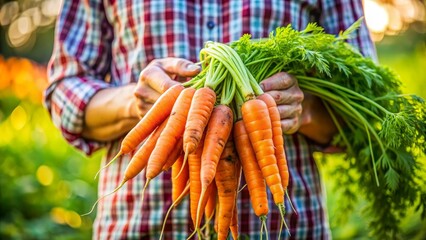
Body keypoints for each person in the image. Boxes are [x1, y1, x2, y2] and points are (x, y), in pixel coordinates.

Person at [44, 0, 377, 239]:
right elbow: (64, 91)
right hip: (136, 224)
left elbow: (367, 101)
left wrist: (304, 111)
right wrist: (134, 102)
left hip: (288, 226)